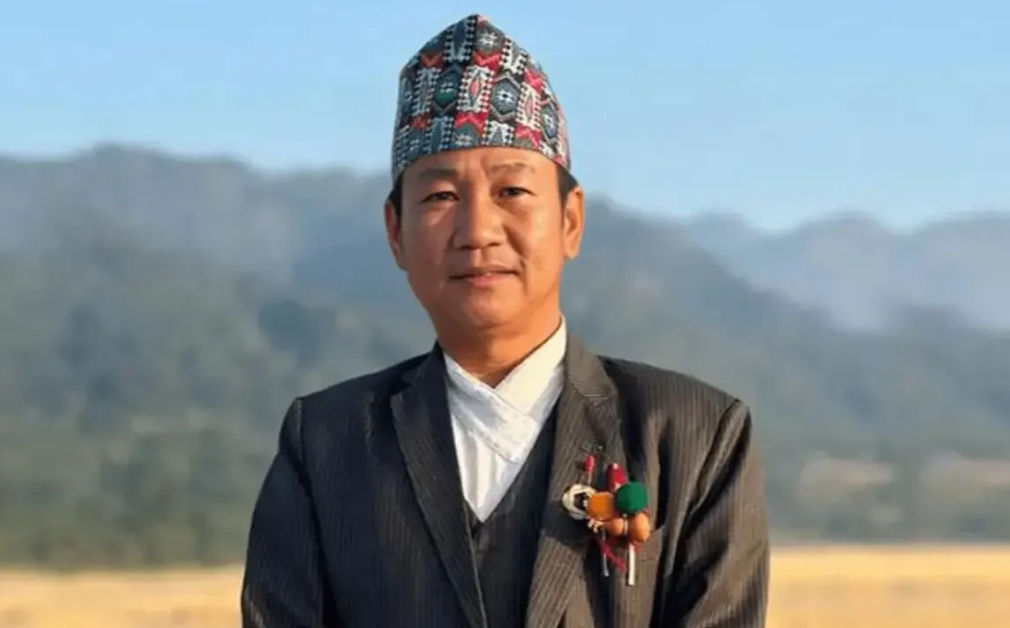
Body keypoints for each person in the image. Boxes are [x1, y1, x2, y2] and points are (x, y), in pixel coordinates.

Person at [241, 13, 769, 628]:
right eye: (441, 197)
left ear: (570, 220)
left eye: (511, 192)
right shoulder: (326, 444)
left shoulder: (694, 436)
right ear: (395, 233)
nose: (478, 231)